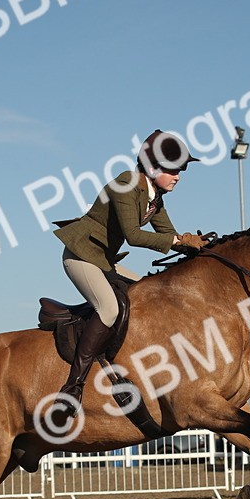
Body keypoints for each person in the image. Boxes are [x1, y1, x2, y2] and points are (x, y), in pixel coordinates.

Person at [51, 130, 209, 412]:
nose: (178, 176)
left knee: (152, 293)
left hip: (104, 260)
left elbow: (169, 234)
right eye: (173, 170)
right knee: (109, 309)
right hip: (80, 256)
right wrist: (177, 241)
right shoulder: (125, 184)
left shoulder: (154, 197)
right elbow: (134, 236)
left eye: (180, 170)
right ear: (151, 168)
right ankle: (73, 386)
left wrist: (198, 246)